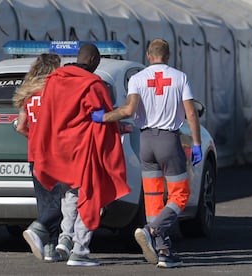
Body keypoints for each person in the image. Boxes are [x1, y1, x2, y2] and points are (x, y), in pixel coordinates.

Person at [91, 38, 202, 268]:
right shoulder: (180, 77)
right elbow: (191, 113)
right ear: (168, 56)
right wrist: (198, 143)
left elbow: (129, 110)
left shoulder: (138, 78)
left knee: (153, 198)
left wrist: (103, 117)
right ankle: (153, 230)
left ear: (148, 56)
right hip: (169, 141)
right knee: (180, 194)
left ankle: (163, 250)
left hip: (146, 141)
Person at [32, 43, 130, 266]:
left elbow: (47, 114)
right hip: (85, 149)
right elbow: (102, 118)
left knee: (70, 195)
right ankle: (80, 251)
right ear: (94, 59)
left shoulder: (55, 79)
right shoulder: (93, 84)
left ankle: (64, 240)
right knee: (90, 195)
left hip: (60, 149)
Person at [12, 53, 62, 262]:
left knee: (45, 202)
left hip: (35, 155)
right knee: (63, 200)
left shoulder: (28, 95)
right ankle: (39, 229)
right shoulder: (55, 93)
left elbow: (21, 127)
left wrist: (35, 139)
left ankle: (50, 249)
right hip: (56, 154)